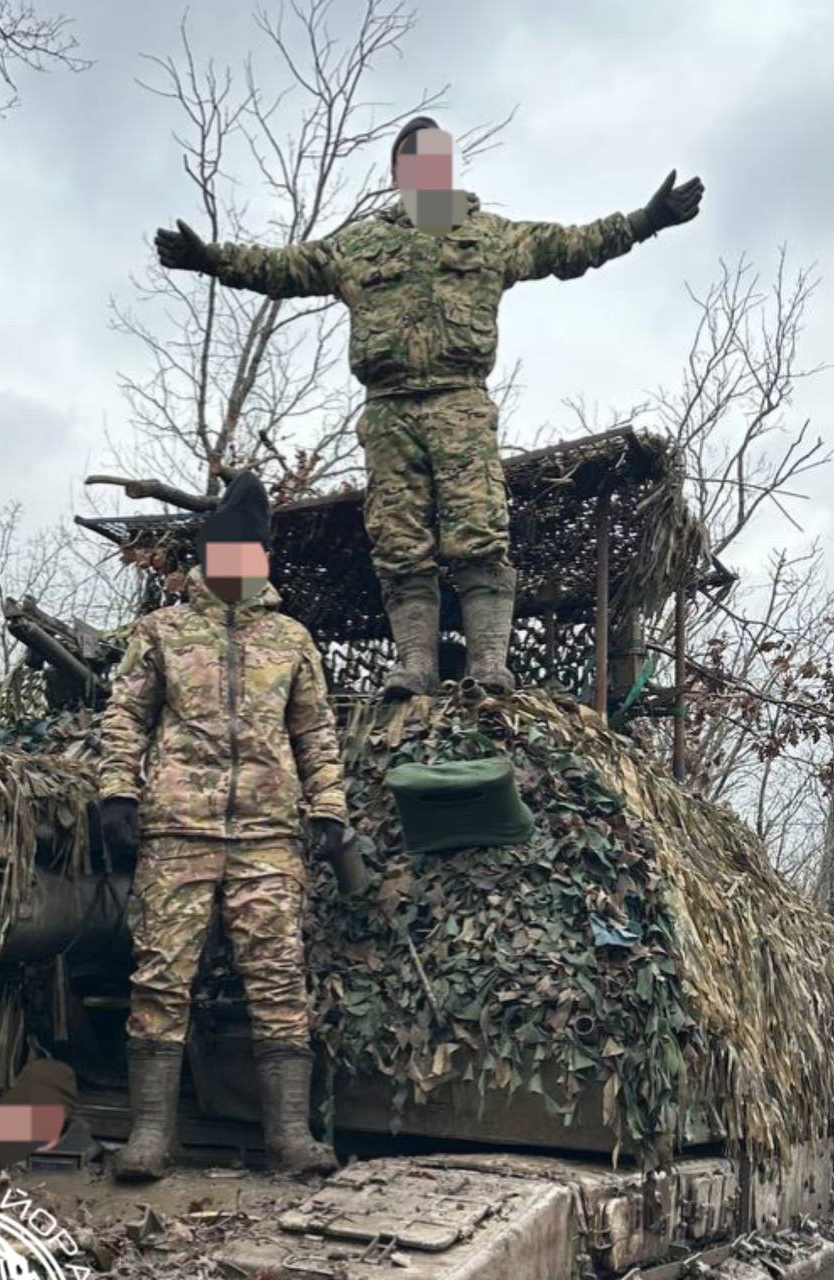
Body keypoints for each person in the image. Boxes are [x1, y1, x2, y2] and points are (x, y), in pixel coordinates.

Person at [155, 118, 704, 698]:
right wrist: (209, 258)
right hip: (388, 411)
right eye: (412, 159)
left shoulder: (486, 234)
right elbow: (284, 268)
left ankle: (489, 664)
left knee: (479, 531)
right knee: (398, 541)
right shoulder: (358, 245)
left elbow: (570, 247)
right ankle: (415, 665)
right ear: (396, 174)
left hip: (460, 402)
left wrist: (648, 220)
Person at [97, 471, 346, 1181]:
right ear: (207, 558)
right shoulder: (163, 633)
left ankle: (289, 1138)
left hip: (268, 836)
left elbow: (315, 735)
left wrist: (328, 808)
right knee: (160, 979)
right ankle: (150, 1136)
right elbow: (126, 717)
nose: (236, 564)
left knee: (276, 979)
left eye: (249, 552)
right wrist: (117, 792)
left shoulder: (292, 640)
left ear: (263, 560)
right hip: (178, 829)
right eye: (224, 551)